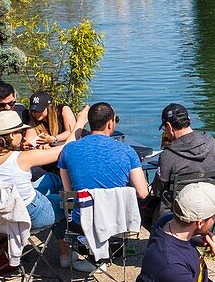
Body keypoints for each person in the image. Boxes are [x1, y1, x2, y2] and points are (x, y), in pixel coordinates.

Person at [58, 102, 150, 269]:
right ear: (110, 123)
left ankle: (80, 254)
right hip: (118, 222)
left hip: (81, 222)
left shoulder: (68, 150)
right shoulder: (127, 151)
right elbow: (142, 193)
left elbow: (68, 192)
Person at [0, 108, 89, 231]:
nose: (23, 136)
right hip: (32, 215)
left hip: (2, 216)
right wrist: (81, 122)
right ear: (12, 135)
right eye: (21, 132)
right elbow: (66, 148)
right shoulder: (22, 158)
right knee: (68, 198)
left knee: (52, 179)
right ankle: (73, 238)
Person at [151, 102, 215, 200]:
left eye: (165, 128)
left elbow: (157, 191)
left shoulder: (168, 154)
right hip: (211, 203)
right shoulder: (212, 142)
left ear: (169, 126)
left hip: (178, 210)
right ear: (189, 120)